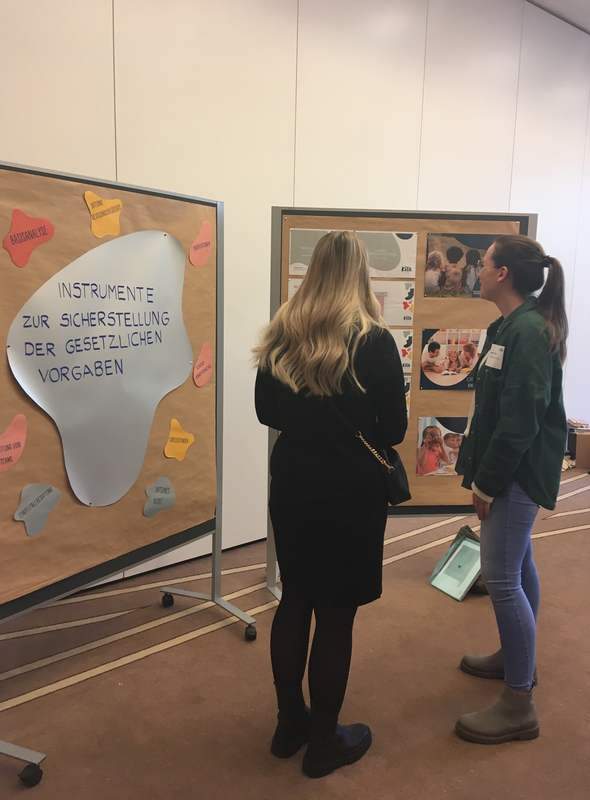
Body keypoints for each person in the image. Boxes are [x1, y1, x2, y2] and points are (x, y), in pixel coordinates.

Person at [253, 231, 407, 778]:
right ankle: (323, 742)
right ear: (360, 274)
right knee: (336, 614)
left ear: (313, 270)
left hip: (293, 481)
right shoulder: (376, 341)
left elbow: (265, 412)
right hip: (351, 490)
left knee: (294, 598)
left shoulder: (280, 334)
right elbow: (392, 428)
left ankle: (288, 722)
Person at [455, 234, 568, 744]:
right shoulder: (510, 326)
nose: (477, 268)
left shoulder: (526, 331)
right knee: (518, 564)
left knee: (501, 579)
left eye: (484, 262)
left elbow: (520, 423)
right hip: (512, 469)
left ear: (502, 274)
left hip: (516, 473)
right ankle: (514, 655)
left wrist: (487, 482)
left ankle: (519, 701)